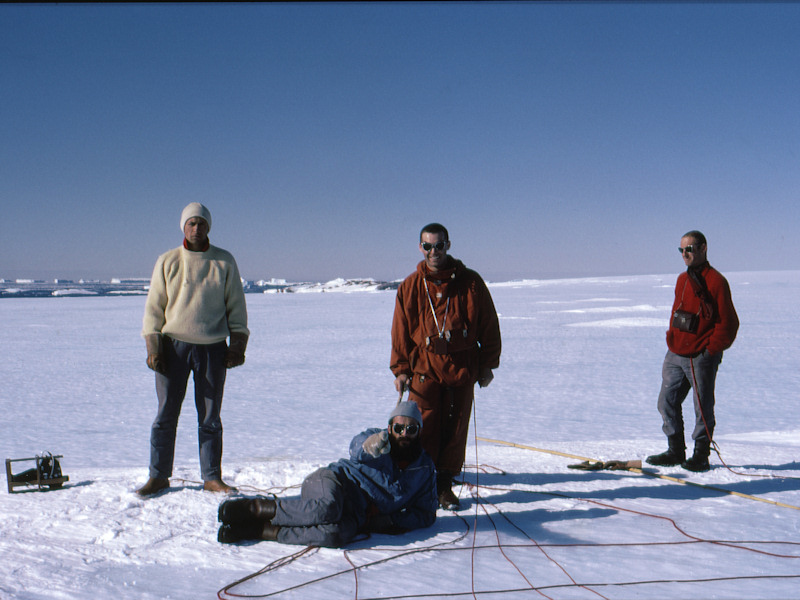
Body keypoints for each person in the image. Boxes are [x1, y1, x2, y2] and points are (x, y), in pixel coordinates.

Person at [136, 202, 249, 496]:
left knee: (210, 417)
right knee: (165, 415)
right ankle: (158, 476)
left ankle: (212, 477)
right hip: (173, 349)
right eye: (191, 224)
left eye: (201, 223)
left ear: (208, 227)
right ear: (183, 227)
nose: (196, 228)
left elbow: (236, 305)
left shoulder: (224, 262)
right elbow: (154, 308)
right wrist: (153, 346)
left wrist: (237, 344)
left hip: (212, 349)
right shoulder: (168, 260)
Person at [216, 401, 437, 547]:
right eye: (398, 428)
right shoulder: (378, 440)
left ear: (420, 432)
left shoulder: (424, 469)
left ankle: (260, 530)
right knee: (327, 508)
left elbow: (426, 513)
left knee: (333, 535)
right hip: (332, 482)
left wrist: (389, 520)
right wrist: (371, 445)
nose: (404, 434)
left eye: (411, 429)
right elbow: (356, 449)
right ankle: (252, 508)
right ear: (389, 428)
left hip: (358, 515)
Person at [390, 223, 501, 509]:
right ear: (420, 248)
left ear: (448, 245)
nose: (433, 251)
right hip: (424, 369)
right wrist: (401, 369)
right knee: (421, 428)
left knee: (455, 429)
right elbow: (400, 331)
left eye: (439, 245)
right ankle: (420, 481)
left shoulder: (471, 283)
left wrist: (488, 365)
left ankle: (443, 484)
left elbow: (489, 324)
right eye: (428, 246)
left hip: (461, 368)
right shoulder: (411, 286)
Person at [646, 230, 739, 472]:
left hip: (701, 355)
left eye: (690, 249)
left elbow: (729, 324)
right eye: (681, 250)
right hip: (676, 352)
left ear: (703, 248)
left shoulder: (717, 281)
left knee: (702, 405)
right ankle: (675, 450)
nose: (685, 254)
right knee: (666, 401)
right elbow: (676, 311)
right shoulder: (682, 280)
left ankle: (701, 455)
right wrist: (672, 337)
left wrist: (709, 350)